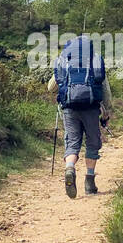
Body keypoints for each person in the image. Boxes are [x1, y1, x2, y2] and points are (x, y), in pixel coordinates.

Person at [47, 34, 113, 198]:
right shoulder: (95, 59)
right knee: (92, 142)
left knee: (72, 142)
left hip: (70, 108)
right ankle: (89, 182)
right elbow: (105, 90)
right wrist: (106, 113)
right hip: (91, 108)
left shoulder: (64, 60)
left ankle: (70, 168)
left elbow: (51, 87)